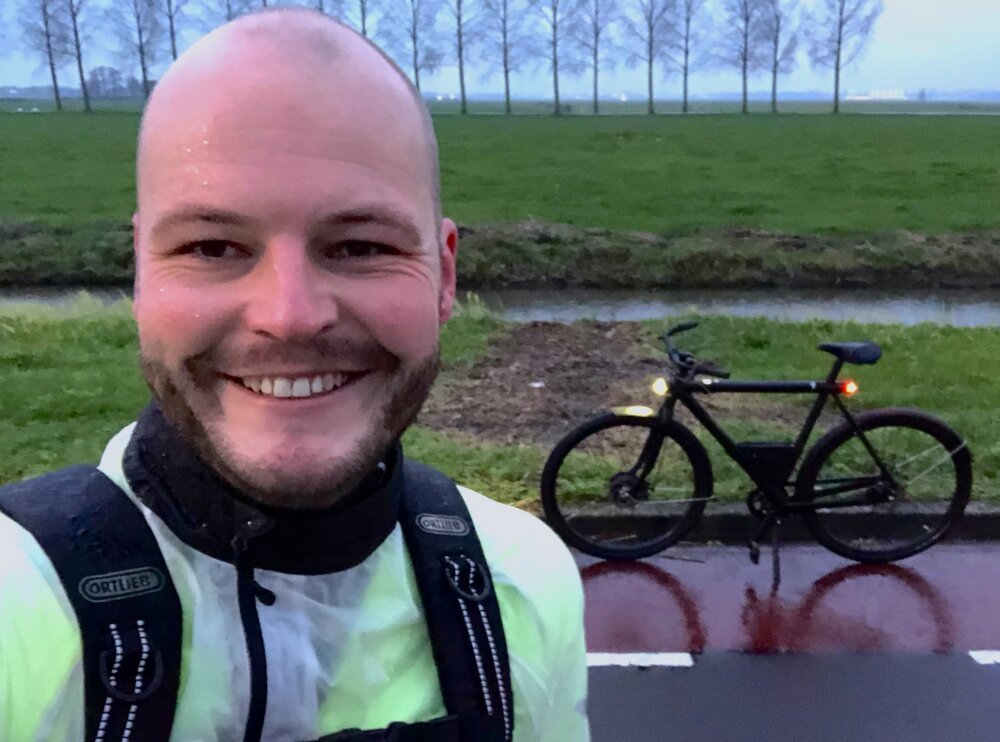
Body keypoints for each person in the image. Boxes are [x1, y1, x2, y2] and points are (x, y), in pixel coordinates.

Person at [0, 9, 589, 741]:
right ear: (142, 273)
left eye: (359, 247)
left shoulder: (522, 584)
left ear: (444, 275)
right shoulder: (15, 603)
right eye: (213, 247)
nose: (290, 315)